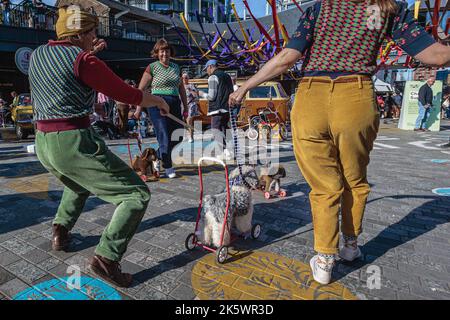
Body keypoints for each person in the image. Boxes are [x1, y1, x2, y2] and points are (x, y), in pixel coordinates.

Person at [229, 0, 448, 285]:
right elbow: (436, 56)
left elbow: (287, 57)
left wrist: (246, 86)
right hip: (355, 100)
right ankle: (350, 245)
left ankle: (324, 259)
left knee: (324, 185)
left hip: (311, 100)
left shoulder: (320, 8)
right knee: (354, 180)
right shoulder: (382, 10)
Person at [28, 5, 169, 288]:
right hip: (73, 141)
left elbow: (64, 74)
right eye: (91, 32)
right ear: (79, 33)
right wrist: (158, 101)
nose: (95, 36)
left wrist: (89, 54)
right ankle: (106, 258)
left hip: (43, 142)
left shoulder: (37, 55)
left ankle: (60, 230)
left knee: (78, 184)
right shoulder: (84, 61)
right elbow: (125, 93)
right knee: (136, 194)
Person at [137, 39, 188, 179]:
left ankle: (157, 156)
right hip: (157, 103)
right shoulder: (152, 67)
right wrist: (138, 110)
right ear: (157, 53)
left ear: (170, 52)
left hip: (175, 103)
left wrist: (186, 107)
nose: (164, 53)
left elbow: (181, 88)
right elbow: (141, 90)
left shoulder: (176, 67)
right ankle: (168, 166)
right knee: (164, 135)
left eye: (167, 50)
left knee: (178, 136)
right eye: (161, 51)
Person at [200, 59, 234, 160]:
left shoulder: (213, 77)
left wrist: (201, 94)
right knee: (225, 130)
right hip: (227, 108)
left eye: (207, 69)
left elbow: (211, 96)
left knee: (216, 130)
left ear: (210, 66)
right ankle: (230, 151)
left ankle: (222, 152)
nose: (207, 72)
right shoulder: (227, 76)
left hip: (217, 109)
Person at [182, 72, 199, 143]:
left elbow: (196, 96)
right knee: (183, 121)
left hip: (190, 105)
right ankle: (184, 136)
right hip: (182, 105)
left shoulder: (191, 86)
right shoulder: (180, 86)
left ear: (188, 79)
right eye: (183, 78)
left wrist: (190, 90)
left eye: (186, 78)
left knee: (189, 121)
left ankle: (191, 137)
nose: (184, 79)